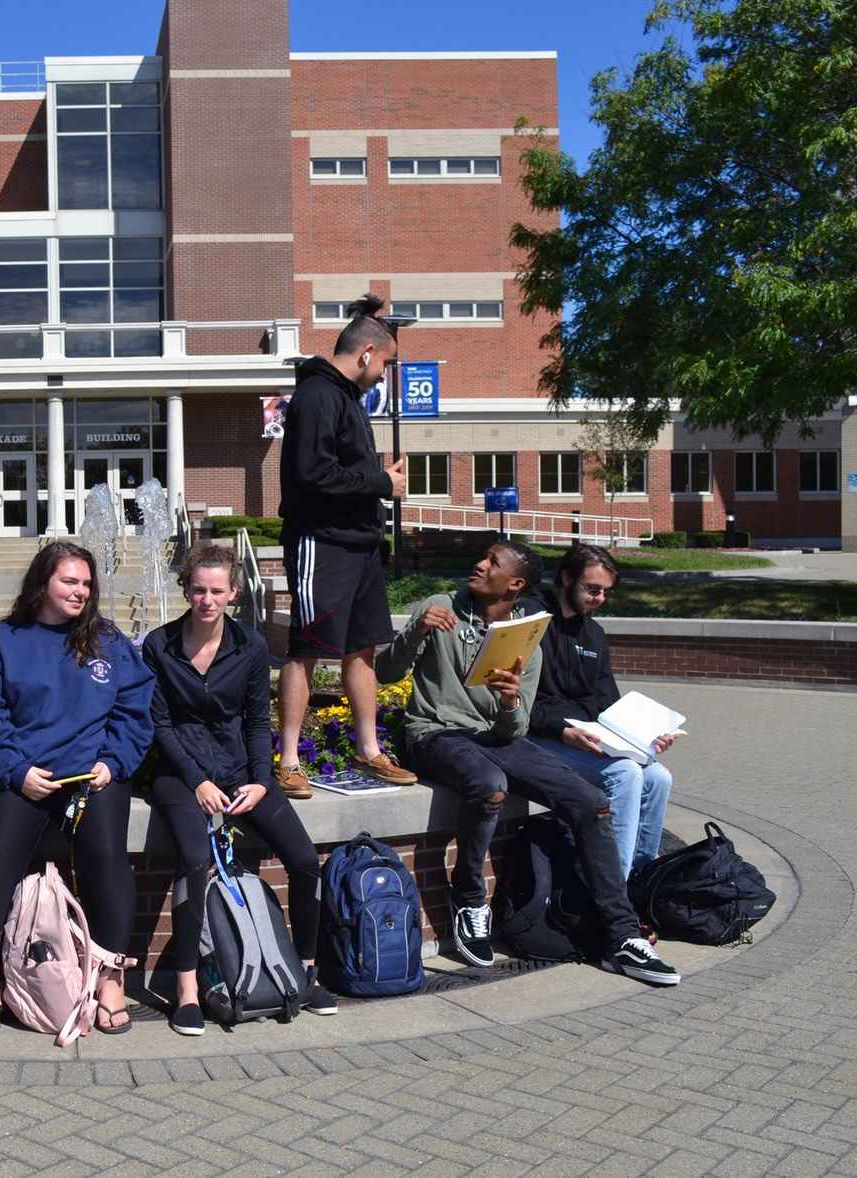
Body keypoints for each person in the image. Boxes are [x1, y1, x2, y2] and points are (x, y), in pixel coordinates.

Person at [374, 541, 680, 986]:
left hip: (494, 739)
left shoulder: (525, 637)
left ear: (515, 583)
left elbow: (512, 732)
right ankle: (469, 894)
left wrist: (510, 701)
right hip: (434, 732)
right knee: (490, 784)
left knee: (591, 801)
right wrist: (416, 632)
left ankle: (621, 935)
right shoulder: (440, 607)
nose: (479, 563)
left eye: (492, 562)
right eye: (485, 557)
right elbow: (385, 672)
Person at [0, 542, 155, 1037]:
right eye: (70, 581)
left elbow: (135, 711)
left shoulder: (107, 642)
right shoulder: (3, 641)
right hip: (22, 776)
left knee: (108, 858)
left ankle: (111, 980)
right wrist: (15, 770)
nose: (81, 592)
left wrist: (113, 762)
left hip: (90, 779)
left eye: (87, 584)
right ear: (42, 584)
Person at [142, 543, 337, 1035]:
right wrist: (197, 780)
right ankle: (187, 988)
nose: (207, 600)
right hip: (178, 774)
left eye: (217, 591)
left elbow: (255, 722)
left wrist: (259, 780)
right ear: (186, 589)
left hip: (237, 772)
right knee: (191, 862)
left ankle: (308, 972)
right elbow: (160, 725)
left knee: (304, 861)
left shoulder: (248, 646)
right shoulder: (158, 645)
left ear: (234, 592)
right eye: (198, 590)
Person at [276, 293, 416, 796]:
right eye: (385, 364)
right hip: (323, 542)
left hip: (359, 543)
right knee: (307, 649)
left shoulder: (346, 399)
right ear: (365, 354)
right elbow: (311, 475)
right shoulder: (316, 395)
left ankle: (368, 750)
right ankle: (289, 758)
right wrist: (382, 485)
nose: (384, 374)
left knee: (363, 649)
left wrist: (376, 478)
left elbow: (340, 469)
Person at [529, 543, 677, 880]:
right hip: (541, 736)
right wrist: (564, 728)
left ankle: (641, 879)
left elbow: (608, 702)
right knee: (625, 774)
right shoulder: (534, 620)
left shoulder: (593, 634)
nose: (599, 599)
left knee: (658, 776)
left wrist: (646, 736)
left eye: (606, 592)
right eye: (592, 589)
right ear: (566, 577)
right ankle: (615, 892)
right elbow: (522, 704)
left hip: (585, 735)